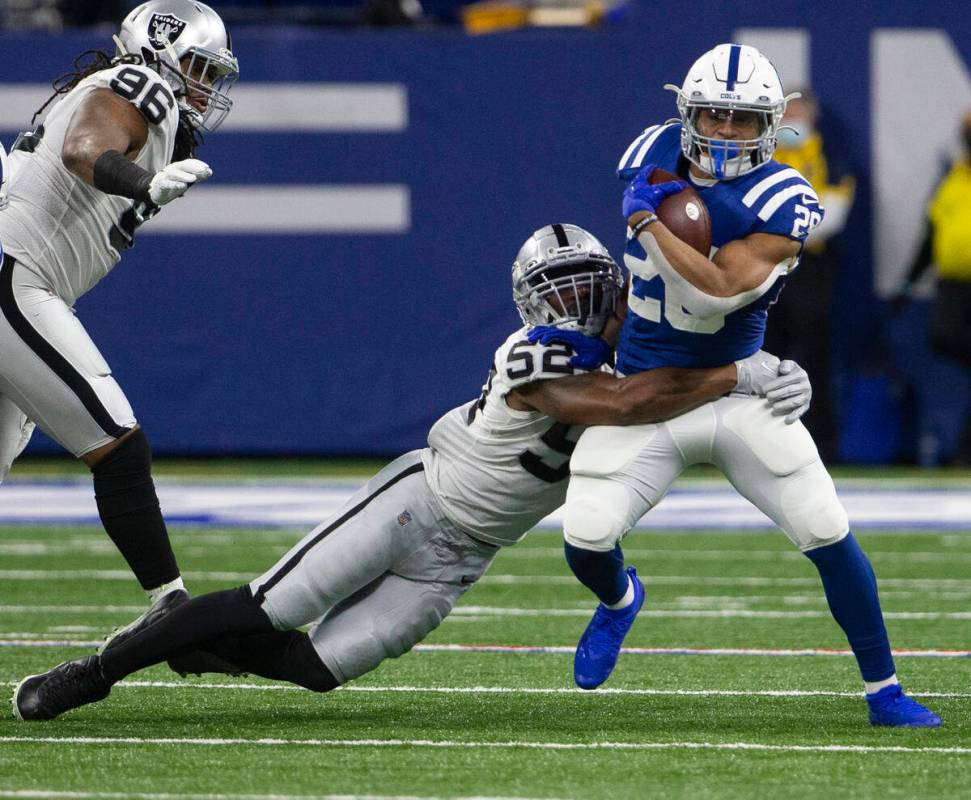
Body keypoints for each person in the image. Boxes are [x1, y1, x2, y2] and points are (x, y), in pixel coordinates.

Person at [10, 223, 811, 720]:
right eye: (552, 290)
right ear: (528, 305)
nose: (569, 303)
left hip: (465, 557)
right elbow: (624, 403)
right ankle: (102, 669)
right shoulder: (535, 355)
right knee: (271, 606)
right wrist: (735, 376)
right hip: (421, 500)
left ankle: (191, 638)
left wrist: (771, 372)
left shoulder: (645, 349)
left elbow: (693, 374)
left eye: (581, 285)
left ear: (611, 286)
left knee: (315, 671)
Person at [555, 44, 940, 727]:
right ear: (686, 112)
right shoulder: (650, 150)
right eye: (713, 115)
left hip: (739, 392)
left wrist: (646, 220)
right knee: (584, 533)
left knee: (825, 527)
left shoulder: (784, 196)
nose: (726, 131)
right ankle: (619, 599)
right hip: (647, 395)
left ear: (771, 124)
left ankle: (884, 690)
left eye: (742, 119)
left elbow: (715, 296)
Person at [0, 1, 238, 637]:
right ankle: (172, 612)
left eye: (213, 75)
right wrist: (144, 184)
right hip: (15, 278)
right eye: (198, 67)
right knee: (118, 444)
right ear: (159, 50)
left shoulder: (127, 93)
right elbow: (84, 149)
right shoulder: (143, 84)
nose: (205, 87)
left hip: (21, 275)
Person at [762, 89, 855, 460]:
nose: (791, 120)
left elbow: (834, 210)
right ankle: (758, 441)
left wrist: (785, 235)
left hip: (808, 264)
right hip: (763, 263)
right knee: (762, 351)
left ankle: (821, 443)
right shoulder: (764, 152)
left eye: (797, 111)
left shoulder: (828, 153)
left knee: (812, 354)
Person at [893, 109, 971, 464]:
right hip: (953, 283)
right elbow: (931, 234)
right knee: (943, 336)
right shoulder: (954, 176)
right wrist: (909, 282)